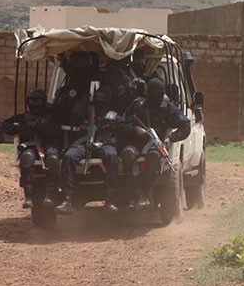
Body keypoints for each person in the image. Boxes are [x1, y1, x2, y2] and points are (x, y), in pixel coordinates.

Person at [120, 78, 191, 207]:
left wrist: (171, 138)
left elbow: (185, 125)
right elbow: (122, 123)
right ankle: (138, 192)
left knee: (153, 157)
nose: (158, 98)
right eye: (155, 94)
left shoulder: (168, 107)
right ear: (149, 93)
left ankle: (144, 189)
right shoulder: (138, 105)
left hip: (156, 143)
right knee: (127, 154)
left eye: (160, 94)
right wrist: (136, 129)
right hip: (137, 142)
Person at [56, 86, 123, 215]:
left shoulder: (114, 116)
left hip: (104, 144)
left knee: (111, 155)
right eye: (97, 97)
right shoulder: (84, 112)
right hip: (84, 144)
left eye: (102, 98)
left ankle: (111, 200)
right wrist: (84, 102)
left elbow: (121, 134)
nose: (99, 100)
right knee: (69, 156)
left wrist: (105, 142)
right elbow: (73, 116)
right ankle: (66, 200)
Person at [1, 89, 62, 209]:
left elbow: (56, 131)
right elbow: (5, 126)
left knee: (53, 159)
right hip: (31, 145)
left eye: (37, 101)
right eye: (31, 101)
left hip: (49, 145)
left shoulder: (52, 117)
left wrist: (42, 129)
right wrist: (22, 128)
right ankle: (28, 196)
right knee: (26, 157)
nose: (34, 105)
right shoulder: (24, 117)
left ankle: (50, 194)